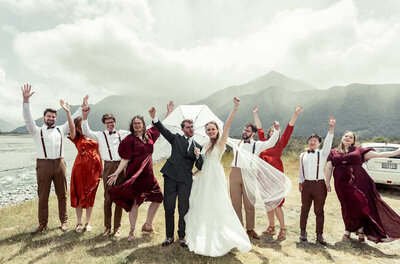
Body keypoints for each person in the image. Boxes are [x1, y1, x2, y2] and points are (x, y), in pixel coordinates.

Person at [184, 97, 251, 257]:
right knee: (203, 204)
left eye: (213, 129)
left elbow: (227, 124)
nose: (210, 131)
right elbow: (202, 164)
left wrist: (235, 108)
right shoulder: (205, 144)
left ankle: (222, 236)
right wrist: (196, 162)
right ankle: (204, 234)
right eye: (208, 130)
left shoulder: (221, 142)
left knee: (218, 203)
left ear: (217, 130)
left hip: (215, 177)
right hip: (205, 176)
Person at [21, 84, 84, 235]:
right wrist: (25, 101)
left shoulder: (60, 129)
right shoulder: (36, 130)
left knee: (62, 194)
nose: (51, 118)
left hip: (60, 163)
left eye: (53, 116)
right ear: (44, 118)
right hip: (43, 164)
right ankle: (42, 224)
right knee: (43, 195)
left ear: (56, 118)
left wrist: (82, 106)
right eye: (48, 116)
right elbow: (27, 118)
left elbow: (73, 119)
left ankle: (64, 221)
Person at [107, 106, 173, 241]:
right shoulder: (129, 139)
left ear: (143, 125)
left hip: (148, 174)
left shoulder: (150, 134)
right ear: (132, 126)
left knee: (158, 197)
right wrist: (116, 173)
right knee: (135, 203)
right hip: (135, 174)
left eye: (139, 123)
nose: (137, 125)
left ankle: (147, 225)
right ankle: (131, 231)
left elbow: (160, 126)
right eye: (134, 124)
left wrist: (168, 113)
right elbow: (125, 158)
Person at [325, 131, 400, 243]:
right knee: (346, 206)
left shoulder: (358, 150)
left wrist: (397, 152)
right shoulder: (333, 151)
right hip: (341, 184)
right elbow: (329, 168)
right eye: (346, 136)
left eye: (351, 137)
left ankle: (360, 230)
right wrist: (327, 182)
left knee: (361, 205)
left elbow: (379, 155)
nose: (348, 138)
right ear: (342, 138)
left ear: (353, 141)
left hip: (359, 181)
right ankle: (348, 230)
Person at [150, 102, 204, 247]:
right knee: (169, 207)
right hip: (171, 176)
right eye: (188, 127)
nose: (191, 129)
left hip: (186, 180)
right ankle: (169, 236)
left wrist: (198, 156)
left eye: (192, 127)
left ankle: (182, 236)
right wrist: (154, 117)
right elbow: (162, 129)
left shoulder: (198, 146)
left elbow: (200, 166)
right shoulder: (176, 138)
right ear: (182, 129)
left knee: (183, 208)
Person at [81, 101, 130, 237]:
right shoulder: (100, 135)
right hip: (108, 166)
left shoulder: (123, 133)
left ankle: (117, 228)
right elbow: (86, 131)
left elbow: (139, 129)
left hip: (121, 166)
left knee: (119, 197)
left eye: (112, 122)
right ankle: (107, 227)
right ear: (104, 124)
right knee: (107, 198)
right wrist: (85, 117)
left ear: (115, 122)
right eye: (107, 122)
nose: (110, 124)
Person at [255, 105, 303, 240]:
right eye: (272, 130)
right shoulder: (263, 142)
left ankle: (283, 228)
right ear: (269, 134)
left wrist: (296, 115)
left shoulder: (280, 144)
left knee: (276, 204)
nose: (273, 132)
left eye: (276, 130)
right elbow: (259, 128)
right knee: (267, 203)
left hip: (276, 176)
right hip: (263, 177)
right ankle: (271, 227)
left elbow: (289, 129)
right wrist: (256, 114)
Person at [229, 117, 280, 239]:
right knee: (235, 203)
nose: (244, 132)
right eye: (244, 130)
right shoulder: (237, 143)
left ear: (253, 133)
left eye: (247, 131)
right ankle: (238, 229)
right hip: (235, 173)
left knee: (250, 202)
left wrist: (277, 130)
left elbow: (271, 143)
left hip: (250, 174)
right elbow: (224, 138)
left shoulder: (258, 145)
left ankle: (250, 229)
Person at [60, 99, 102, 233]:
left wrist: (101, 169)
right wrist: (68, 112)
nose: (80, 125)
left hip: (94, 169)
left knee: (91, 194)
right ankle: (78, 223)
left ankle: (88, 222)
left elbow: (99, 152)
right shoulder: (76, 137)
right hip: (80, 168)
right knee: (78, 194)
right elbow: (71, 127)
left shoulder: (93, 135)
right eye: (79, 123)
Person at [298, 116, 336, 245]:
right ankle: (302, 232)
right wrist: (300, 181)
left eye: (315, 140)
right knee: (304, 209)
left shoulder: (323, 153)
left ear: (319, 143)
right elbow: (301, 170)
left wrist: (331, 128)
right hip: (306, 184)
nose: (312, 142)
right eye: (310, 140)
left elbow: (329, 142)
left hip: (319, 185)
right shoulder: (302, 155)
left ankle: (319, 235)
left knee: (319, 211)